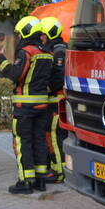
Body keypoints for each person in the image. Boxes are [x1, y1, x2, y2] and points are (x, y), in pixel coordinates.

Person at [0, 16, 53, 194]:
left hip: (24, 107)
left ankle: (25, 182)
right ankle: (40, 181)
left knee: (22, 142)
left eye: (19, 34)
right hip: (42, 106)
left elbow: (14, 75)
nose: (18, 37)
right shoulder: (48, 53)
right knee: (39, 141)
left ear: (26, 32)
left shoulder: (26, 52)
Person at [38, 16, 66, 184]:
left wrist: (44, 88)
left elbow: (58, 79)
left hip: (57, 103)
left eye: (42, 34)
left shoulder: (59, 51)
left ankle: (59, 172)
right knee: (51, 136)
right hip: (53, 102)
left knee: (55, 137)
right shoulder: (53, 50)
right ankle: (55, 168)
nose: (41, 37)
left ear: (49, 34)